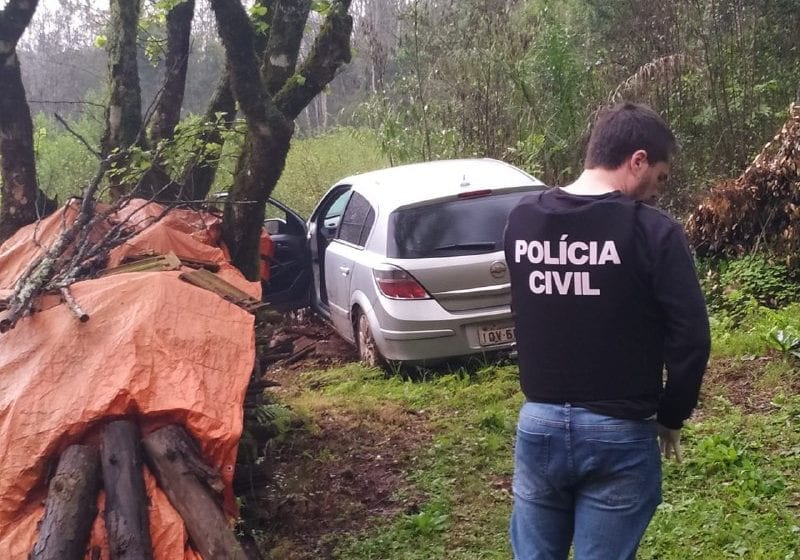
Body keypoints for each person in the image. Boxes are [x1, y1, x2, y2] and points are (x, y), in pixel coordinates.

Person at [504, 102, 711, 559]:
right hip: (619, 433)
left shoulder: (523, 219)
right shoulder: (654, 232)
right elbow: (691, 337)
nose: (656, 192)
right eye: (659, 177)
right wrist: (672, 415)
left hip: (539, 425)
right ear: (637, 160)